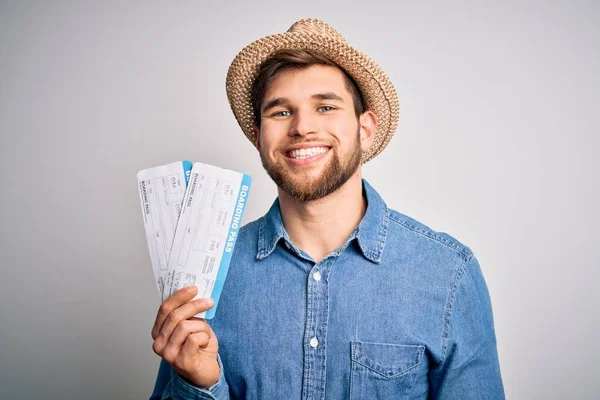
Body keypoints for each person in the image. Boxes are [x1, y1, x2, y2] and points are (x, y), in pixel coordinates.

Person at [150, 18, 505, 399]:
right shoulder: (205, 274)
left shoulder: (447, 273)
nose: (302, 128)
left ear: (365, 128)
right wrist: (199, 386)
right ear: (258, 137)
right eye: (281, 112)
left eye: (325, 107)